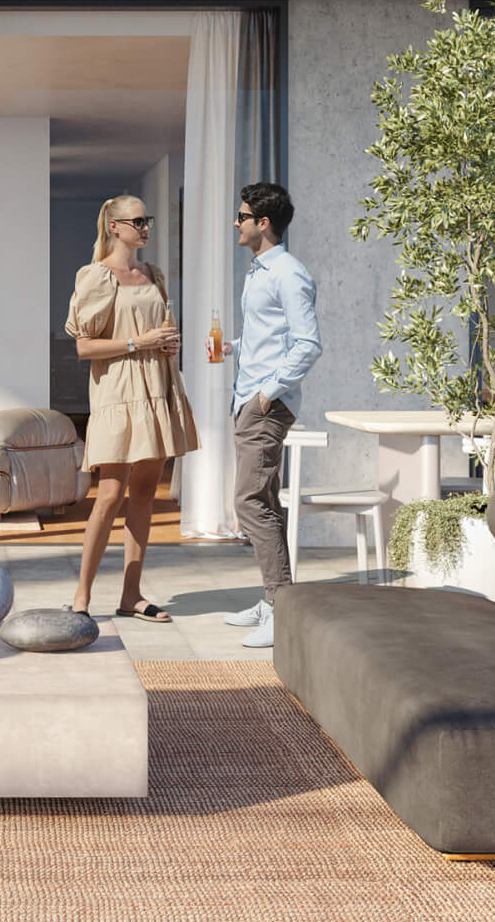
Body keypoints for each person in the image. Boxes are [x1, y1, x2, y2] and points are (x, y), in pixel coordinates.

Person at [64, 195, 199, 621]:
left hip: (158, 386)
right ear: (114, 226)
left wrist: (169, 342)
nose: (145, 227)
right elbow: (84, 347)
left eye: (148, 219)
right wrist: (136, 343)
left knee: (145, 493)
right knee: (107, 495)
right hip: (118, 393)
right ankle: (81, 597)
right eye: (137, 220)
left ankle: (131, 596)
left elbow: (161, 330)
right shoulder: (96, 277)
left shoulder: (153, 274)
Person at [209, 182, 321, 648]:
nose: (236, 223)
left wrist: (266, 395)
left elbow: (308, 344)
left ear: (263, 223)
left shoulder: (287, 273)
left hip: (264, 405)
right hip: (248, 398)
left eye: (242, 216)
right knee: (266, 503)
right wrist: (234, 348)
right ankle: (275, 600)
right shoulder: (258, 271)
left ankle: (280, 608)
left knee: (249, 502)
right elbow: (271, 335)